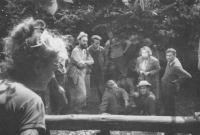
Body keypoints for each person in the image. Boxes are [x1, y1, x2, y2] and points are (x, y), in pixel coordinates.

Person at [0, 18, 68, 135]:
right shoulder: (30, 101)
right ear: (38, 66)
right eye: (53, 69)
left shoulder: (3, 87)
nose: (52, 75)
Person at [161, 48, 192, 116]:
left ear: (174, 55)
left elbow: (188, 76)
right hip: (165, 83)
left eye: (170, 55)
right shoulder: (169, 61)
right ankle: (166, 115)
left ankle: (171, 119)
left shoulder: (176, 66)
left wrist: (177, 81)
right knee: (165, 101)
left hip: (170, 86)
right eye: (167, 55)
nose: (168, 57)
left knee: (170, 103)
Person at [69, 32, 94, 114]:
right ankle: (77, 110)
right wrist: (86, 62)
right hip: (77, 73)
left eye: (86, 41)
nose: (85, 42)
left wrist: (85, 61)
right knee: (82, 93)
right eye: (83, 41)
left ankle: (82, 106)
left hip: (85, 72)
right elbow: (80, 64)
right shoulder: (75, 51)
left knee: (86, 92)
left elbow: (92, 61)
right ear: (79, 41)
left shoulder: (85, 50)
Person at [87, 35, 107, 102]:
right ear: (92, 43)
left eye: (99, 43)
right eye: (96, 43)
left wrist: (104, 67)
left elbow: (106, 59)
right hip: (90, 72)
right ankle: (86, 102)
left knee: (100, 87)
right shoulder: (88, 50)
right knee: (88, 87)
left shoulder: (102, 49)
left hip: (100, 71)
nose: (98, 45)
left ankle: (102, 101)